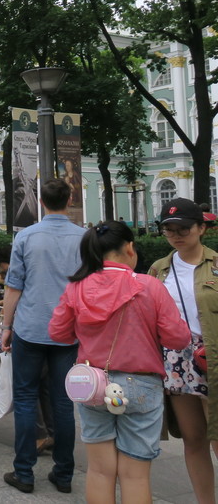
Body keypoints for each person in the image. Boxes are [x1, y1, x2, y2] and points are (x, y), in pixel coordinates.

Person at [50, 220, 190, 503]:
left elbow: (58, 333)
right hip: (141, 386)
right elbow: (178, 338)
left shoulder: (76, 287)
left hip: (93, 386)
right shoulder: (149, 286)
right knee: (135, 474)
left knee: (100, 471)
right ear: (129, 248)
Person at [0, 178, 86, 493]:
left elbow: (14, 287)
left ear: (41, 201)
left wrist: (7, 327)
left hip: (31, 327)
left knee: (25, 398)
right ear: (70, 198)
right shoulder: (84, 237)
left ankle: (23, 472)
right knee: (64, 402)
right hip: (68, 331)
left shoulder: (26, 237)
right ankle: (63, 474)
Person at [148, 198, 218, 504]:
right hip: (176, 360)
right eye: (169, 229)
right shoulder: (158, 269)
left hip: (213, 358)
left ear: (202, 228)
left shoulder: (216, 264)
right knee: (193, 439)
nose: (176, 234)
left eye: (184, 228)